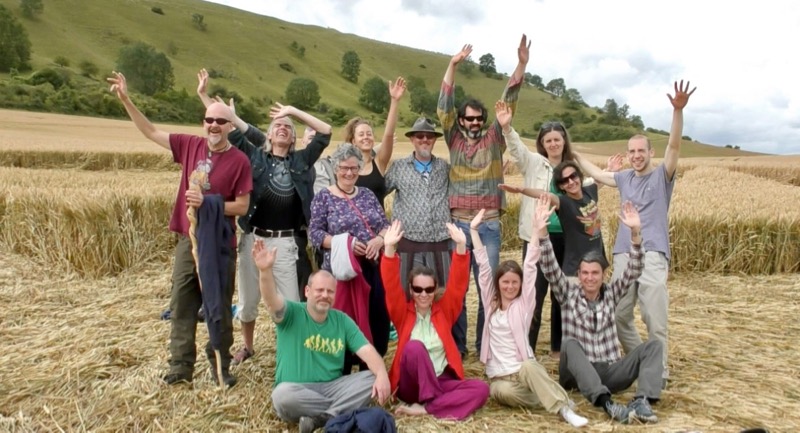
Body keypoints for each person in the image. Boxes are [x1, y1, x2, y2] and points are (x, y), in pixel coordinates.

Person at [107, 72, 252, 386]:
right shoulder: (188, 146)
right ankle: (180, 368)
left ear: (229, 126)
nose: (213, 125)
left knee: (218, 306)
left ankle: (220, 366)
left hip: (220, 242)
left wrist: (208, 202)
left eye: (220, 121)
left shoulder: (239, 160)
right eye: (208, 120)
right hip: (190, 241)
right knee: (182, 303)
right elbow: (151, 131)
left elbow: (241, 206)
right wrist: (126, 99)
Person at [197, 69, 332, 364]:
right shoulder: (254, 156)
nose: (282, 128)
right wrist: (205, 98)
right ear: (268, 135)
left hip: (285, 243)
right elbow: (219, 122)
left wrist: (292, 111)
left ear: (294, 138)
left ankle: (295, 348)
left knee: (291, 302)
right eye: (277, 126)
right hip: (253, 237)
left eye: (288, 127)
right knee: (247, 299)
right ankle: (247, 346)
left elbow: (325, 131)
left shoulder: (301, 160)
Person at [574, 80, 696, 386]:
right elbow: (598, 174)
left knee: (655, 319)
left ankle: (659, 373)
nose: (637, 155)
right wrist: (571, 152)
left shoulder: (662, 176)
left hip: (652, 253)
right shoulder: (625, 177)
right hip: (624, 255)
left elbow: (675, 146)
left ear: (650, 152)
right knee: (616, 315)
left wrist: (677, 112)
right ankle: (643, 359)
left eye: (642, 150)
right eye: (632, 151)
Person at [501, 100, 621, 358]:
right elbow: (516, 148)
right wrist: (507, 127)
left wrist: (607, 173)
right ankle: (527, 349)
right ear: (542, 144)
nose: (554, 144)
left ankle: (558, 349)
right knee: (534, 291)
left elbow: (587, 188)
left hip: (568, 240)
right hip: (538, 237)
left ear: (564, 141)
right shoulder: (533, 163)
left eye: (558, 139)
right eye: (548, 141)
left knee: (562, 295)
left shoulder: (572, 168)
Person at [437, 35, 530, 355]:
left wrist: (521, 65)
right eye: (469, 119)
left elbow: (509, 102)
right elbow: (443, 106)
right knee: (457, 289)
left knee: (487, 288)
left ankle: (484, 346)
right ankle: (458, 346)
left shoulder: (495, 138)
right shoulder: (453, 139)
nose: (475, 123)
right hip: (458, 227)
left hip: (488, 226)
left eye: (479, 118)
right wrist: (452, 65)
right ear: (461, 121)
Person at [539, 201, 663, 424]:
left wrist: (635, 233)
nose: (589, 278)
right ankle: (607, 404)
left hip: (608, 369)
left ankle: (643, 401)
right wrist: (541, 232)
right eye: (584, 273)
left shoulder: (612, 293)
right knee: (569, 344)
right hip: (576, 372)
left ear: (603, 275)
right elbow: (549, 268)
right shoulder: (568, 293)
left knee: (654, 346)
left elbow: (634, 270)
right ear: (578, 274)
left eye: (594, 273)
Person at [252, 242, 390, 433]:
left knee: (370, 378)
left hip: (333, 387)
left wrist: (382, 374)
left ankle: (322, 418)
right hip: (297, 390)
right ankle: (337, 413)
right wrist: (265, 271)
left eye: (330, 291)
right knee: (281, 396)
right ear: (307, 292)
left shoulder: (342, 320)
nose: (324, 295)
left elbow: (367, 351)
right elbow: (271, 300)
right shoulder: (292, 313)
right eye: (319, 290)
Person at [475, 201, 588, 428]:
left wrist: (536, 232)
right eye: (505, 282)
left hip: (524, 371)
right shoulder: (491, 304)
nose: (509, 287)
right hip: (502, 377)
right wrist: (472, 232)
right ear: (498, 284)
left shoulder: (524, 305)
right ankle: (555, 397)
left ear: (520, 285)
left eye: (514, 282)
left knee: (527, 365)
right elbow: (484, 269)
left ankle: (563, 410)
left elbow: (530, 266)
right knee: (498, 391)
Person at [380, 219, 489, 420]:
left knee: (481, 389)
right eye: (418, 289)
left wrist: (460, 246)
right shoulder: (402, 314)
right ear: (411, 290)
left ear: (435, 289)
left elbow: (457, 285)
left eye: (429, 289)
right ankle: (438, 402)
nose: (423, 294)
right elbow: (391, 285)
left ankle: (427, 408)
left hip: (440, 381)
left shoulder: (443, 312)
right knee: (414, 347)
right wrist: (388, 248)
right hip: (411, 386)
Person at [309, 143, 391, 373]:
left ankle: (369, 372)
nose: (349, 173)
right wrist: (346, 243)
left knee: (375, 319)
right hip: (342, 273)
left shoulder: (367, 194)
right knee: (344, 321)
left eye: (354, 168)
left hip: (372, 269)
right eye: (344, 168)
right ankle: (341, 373)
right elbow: (315, 234)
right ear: (335, 168)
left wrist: (379, 240)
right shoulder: (323, 198)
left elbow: (385, 225)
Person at [384, 117, 451, 295]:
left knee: (441, 293)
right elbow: (377, 193)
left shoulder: (444, 167)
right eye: (420, 136)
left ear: (435, 140)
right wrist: (384, 228)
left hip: (440, 242)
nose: (424, 140)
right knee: (407, 294)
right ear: (412, 139)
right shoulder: (398, 167)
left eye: (429, 136)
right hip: (408, 242)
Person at [344, 77, 406, 208]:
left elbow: (388, 134)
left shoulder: (379, 162)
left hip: (378, 227)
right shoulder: (345, 168)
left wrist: (394, 101)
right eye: (361, 134)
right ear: (353, 141)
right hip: (353, 226)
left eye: (369, 134)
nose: (366, 137)